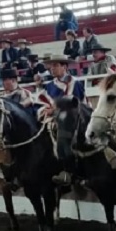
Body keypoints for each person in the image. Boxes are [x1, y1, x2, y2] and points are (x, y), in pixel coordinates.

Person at [37, 54, 86, 186]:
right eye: (51, 66)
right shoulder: (49, 86)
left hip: (74, 117)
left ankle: (69, 170)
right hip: (54, 117)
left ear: (64, 66)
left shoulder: (74, 83)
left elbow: (76, 103)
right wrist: (46, 110)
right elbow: (44, 104)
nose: (52, 68)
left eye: (56, 65)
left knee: (61, 131)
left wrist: (55, 110)